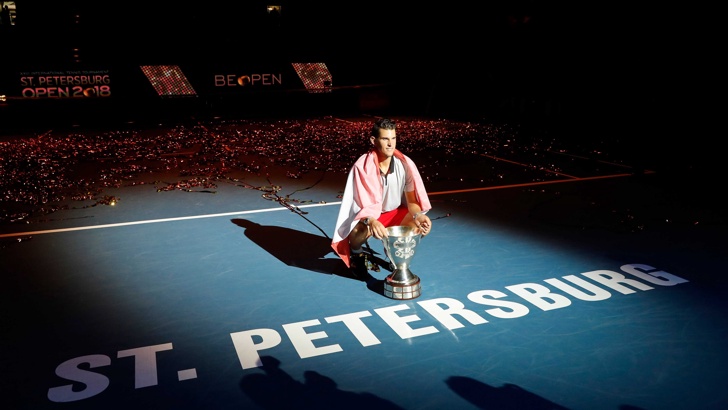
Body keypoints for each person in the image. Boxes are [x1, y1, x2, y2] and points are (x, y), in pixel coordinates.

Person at [331, 118, 433, 278]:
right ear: (374, 140)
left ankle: (393, 252)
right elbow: (359, 207)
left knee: (416, 225)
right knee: (358, 231)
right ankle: (357, 254)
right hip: (369, 217)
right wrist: (371, 221)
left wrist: (419, 215)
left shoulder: (405, 165)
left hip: (394, 213)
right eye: (385, 139)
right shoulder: (362, 167)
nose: (391, 144)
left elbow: (412, 201)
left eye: (393, 138)